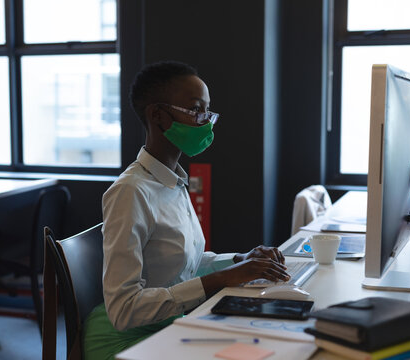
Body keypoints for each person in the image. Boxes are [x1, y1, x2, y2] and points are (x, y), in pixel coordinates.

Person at [83, 61, 289, 359]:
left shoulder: (174, 181)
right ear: (157, 115)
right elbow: (123, 310)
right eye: (196, 110)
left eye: (208, 112)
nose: (206, 122)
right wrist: (220, 279)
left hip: (170, 325)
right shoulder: (131, 191)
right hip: (126, 341)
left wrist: (237, 261)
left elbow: (181, 266)